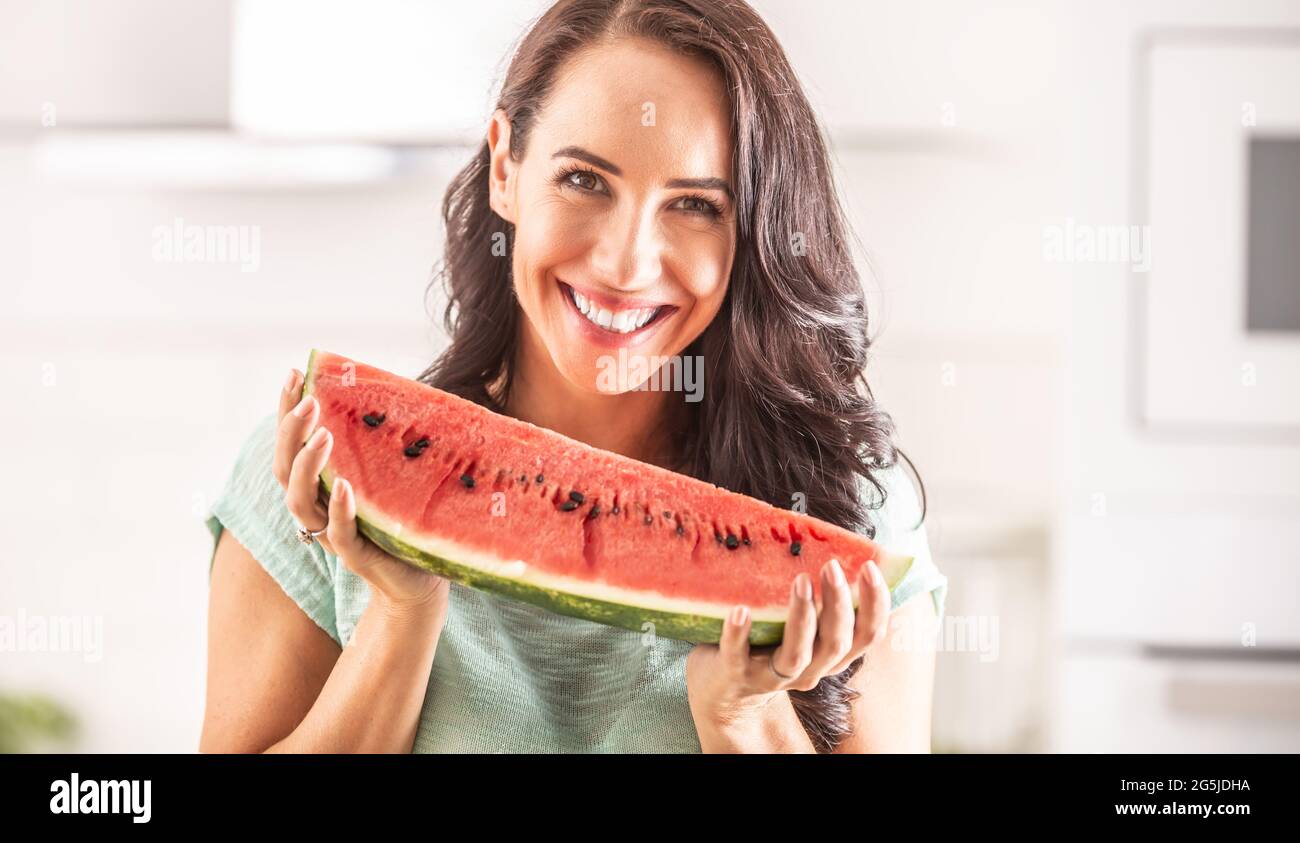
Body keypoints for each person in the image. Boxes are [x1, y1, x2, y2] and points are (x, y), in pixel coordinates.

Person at [201, 0, 948, 754]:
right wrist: (400, 617)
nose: (626, 263)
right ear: (504, 168)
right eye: (585, 181)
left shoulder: (850, 518)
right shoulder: (312, 474)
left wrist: (745, 719)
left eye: (694, 204)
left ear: (747, 231)